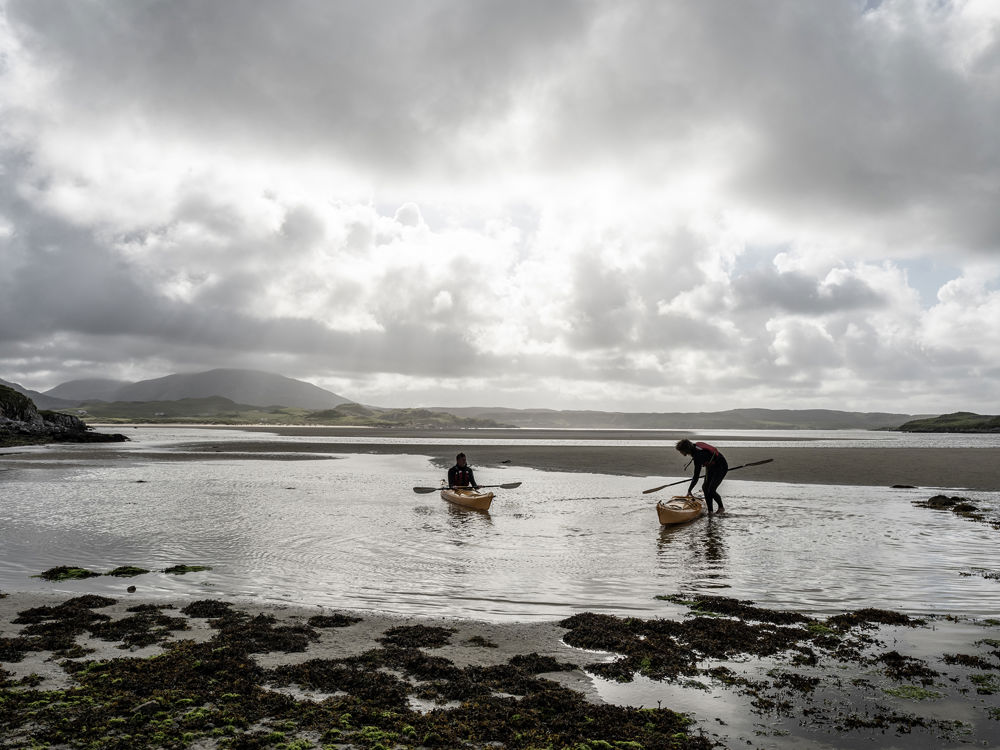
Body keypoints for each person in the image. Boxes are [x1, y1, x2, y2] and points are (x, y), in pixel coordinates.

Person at [675, 438, 728, 514]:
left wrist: (689, 490)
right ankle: (710, 511)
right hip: (711, 466)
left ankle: (721, 508)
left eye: (680, 451)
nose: (680, 452)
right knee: (705, 488)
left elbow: (696, 476)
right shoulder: (695, 448)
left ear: (685, 449)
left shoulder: (698, 456)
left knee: (711, 490)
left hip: (721, 466)